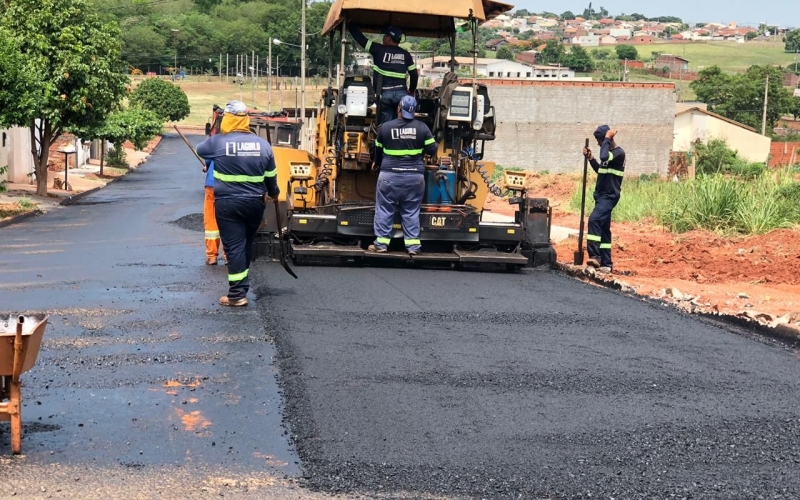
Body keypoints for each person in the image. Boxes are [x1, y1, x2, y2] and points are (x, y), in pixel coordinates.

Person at [196, 100, 279, 307]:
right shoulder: (263, 144)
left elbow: (200, 149)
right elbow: (271, 175)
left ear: (229, 119)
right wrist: (274, 192)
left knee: (234, 247)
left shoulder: (218, 142)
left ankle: (236, 294)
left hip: (228, 204)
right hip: (255, 204)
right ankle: (241, 288)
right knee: (245, 245)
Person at [369, 95, 437, 255]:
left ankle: (381, 245)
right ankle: (413, 247)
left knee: (385, 209)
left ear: (399, 108)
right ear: (414, 111)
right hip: (414, 178)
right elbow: (433, 149)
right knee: (411, 211)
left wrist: (376, 163)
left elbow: (377, 152)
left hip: (389, 177)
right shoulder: (422, 128)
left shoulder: (385, 127)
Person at [348, 23, 418, 125]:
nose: (383, 38)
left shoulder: (378, 49)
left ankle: (386, 136)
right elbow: (414, 74)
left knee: (387, 123)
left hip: (386, 94)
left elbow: (361, 39)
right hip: (401, 94)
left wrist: (350, 24)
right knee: (403, 122)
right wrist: (411, 90)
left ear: (389, 39)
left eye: (384, 36)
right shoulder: (406, 55)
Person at [582, 125, 626, 274]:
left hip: (609, 196)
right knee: (604, 230)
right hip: (601, 196)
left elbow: (604, 156)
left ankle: (595, 256)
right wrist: (590, 158)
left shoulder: (619, 153)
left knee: (594, 220)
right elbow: (601, 169)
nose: (599, 143)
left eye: (599, 140)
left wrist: (607, 138)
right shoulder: (608, 155)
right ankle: (606, 264)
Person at [202, 159, 227, 266]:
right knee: (229, 220)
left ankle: (212, 257)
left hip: (212, 184)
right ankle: (229, 256)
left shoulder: (215, 142)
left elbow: (206, 152)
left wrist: (208, 165)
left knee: (211, 219)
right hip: (230, 186)